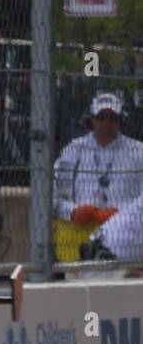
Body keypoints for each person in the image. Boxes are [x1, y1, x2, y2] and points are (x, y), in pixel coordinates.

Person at [53, 92, 143, 261]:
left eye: (112, 117)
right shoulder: (73, 150)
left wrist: (121, 215)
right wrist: (72, 211)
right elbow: (51, 194)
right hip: (79, 231)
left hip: (122, 234)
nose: (107, 122)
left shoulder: (138, 151)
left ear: (120, 120)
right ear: (92, 119)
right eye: (101, 117)